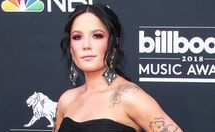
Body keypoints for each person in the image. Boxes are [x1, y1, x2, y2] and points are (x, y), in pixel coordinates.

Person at [53, 4, 182, 132]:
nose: (86, 45)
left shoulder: (130, 96)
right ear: (71, 47)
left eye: (97, 36)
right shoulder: (67, 100)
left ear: (114, 43)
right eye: (77, 37)